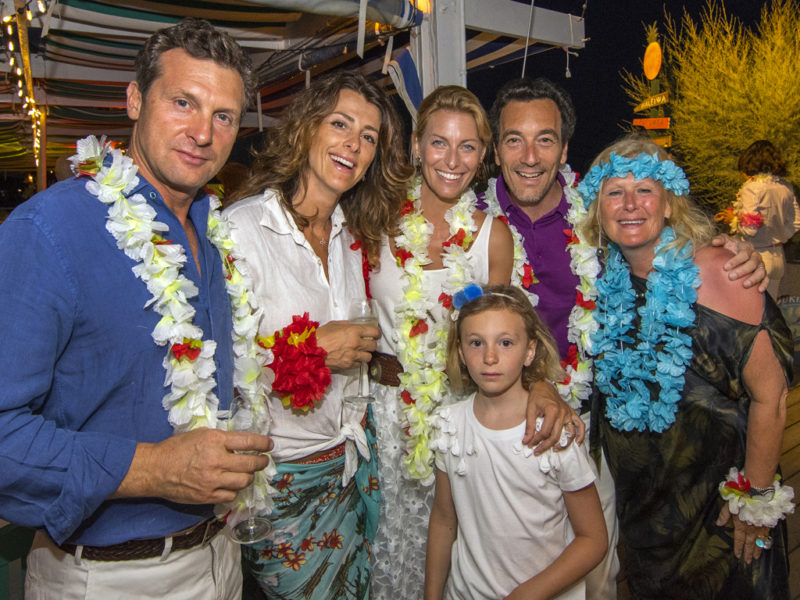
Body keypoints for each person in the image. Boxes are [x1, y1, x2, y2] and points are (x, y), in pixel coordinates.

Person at [0, 18, 273, 600]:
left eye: (224, 116)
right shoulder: (48, 231)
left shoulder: (214, 234)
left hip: (221, 557)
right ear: (134, 100)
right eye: (183, 102)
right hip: (106, 577)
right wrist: (152, 469)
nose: (202, 133)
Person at [477, 76, 770, 599]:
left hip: (601, 437)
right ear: (495, 150)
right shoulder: (470, 223)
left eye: (545, 139)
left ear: (564, 148)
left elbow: (667, 245)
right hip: (502, 430)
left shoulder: (594, 223)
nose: (530, 156)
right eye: (514, 140)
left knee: (600, 577)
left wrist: (736, 252)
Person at [579, 135, 794, 599]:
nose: (630, 204)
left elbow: (772, 396)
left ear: (669, 203)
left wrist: (755, 499)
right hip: (646, 513)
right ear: (598, 208)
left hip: (720, 511)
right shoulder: (599, 279)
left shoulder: (720, 268)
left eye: (645, 190)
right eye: (615, 192)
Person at [223, 71, 411, 599]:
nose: (354, 144)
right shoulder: (243, 230)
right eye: (340, 124)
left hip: (351, 465)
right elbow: (215, 376)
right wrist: (311, 350)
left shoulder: (354, 236)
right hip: (279, 478)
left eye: (369, 136)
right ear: (307, 128)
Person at [367, 85, 520, 599]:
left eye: (467, 146)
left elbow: (504, 344)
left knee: (455, 555)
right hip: (382, 416)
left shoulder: (493, 237)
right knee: (386, 550)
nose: (452, 161)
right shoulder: (373, 220)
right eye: (439, 143)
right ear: (416, 146)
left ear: (482, 155)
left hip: (458, 417)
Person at [425, 284, 607, 600]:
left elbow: (593, 539)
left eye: (506, 342)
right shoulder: (449, 425)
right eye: (476, 343)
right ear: (461, 353)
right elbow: (443, 519)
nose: (490, 357)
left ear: (530, 351)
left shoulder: (554, 431)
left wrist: (526, 595)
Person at [730, 140, 800, 299]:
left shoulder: (752, 188)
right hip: (778, 257)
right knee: (770, 309)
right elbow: (796, 222)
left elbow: (750, 229)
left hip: (755, 258)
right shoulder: (785, 187)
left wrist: (734, 218)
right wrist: (779, 236)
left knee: (751, 310)